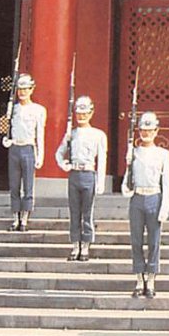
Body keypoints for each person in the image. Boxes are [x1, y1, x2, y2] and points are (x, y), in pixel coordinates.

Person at [122, 111, 169, 298]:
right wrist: (127, 166)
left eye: (150, 130)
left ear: (156, 131)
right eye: (143, 130)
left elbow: (166, 182)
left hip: (154, 197)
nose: (146, 133)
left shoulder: (163, 154)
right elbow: (126, 184)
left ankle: (151, 279)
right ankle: (138, 278)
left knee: (154, 241)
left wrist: (165, 207)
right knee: (136, 240)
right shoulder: (133, 153)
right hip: (137, 198)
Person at [55, 96, 107, 261]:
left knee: (87, 212)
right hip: (74, 175)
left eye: (85, 113)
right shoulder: (71, 134)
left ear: (91, 113)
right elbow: (59, 153)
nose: (82, 116)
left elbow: (102, 161)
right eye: (79, 113)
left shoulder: (98, 135)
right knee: (74, 211)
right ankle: (75, 244)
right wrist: (64, 165)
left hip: (89, 175)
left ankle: (85, 245)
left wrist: (100, 182)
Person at [2, 73, 46, 232]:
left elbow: (40, 134)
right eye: (19, 89)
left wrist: (40, 155)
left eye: (25, 89)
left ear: (32, 89)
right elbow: (7, 128)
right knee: (14, 185)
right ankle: (15, 218)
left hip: (28, 148)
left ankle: (25, 218)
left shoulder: (38, 110)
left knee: (28, 185)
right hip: (15, 148)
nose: (22, 92)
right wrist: (7, 139)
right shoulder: (12, 109)